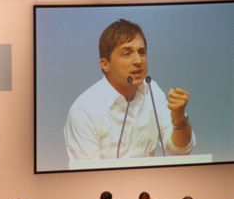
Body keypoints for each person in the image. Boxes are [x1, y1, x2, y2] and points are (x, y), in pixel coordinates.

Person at [64, 19, 196, 163]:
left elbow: (180, 150)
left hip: (150, 184)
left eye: (142, 52)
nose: (138, 61)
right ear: (105, 64)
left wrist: (179, 119)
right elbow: (87, 177)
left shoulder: (152, 91)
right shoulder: (84, 110)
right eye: (127, 53)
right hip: (105, 185)